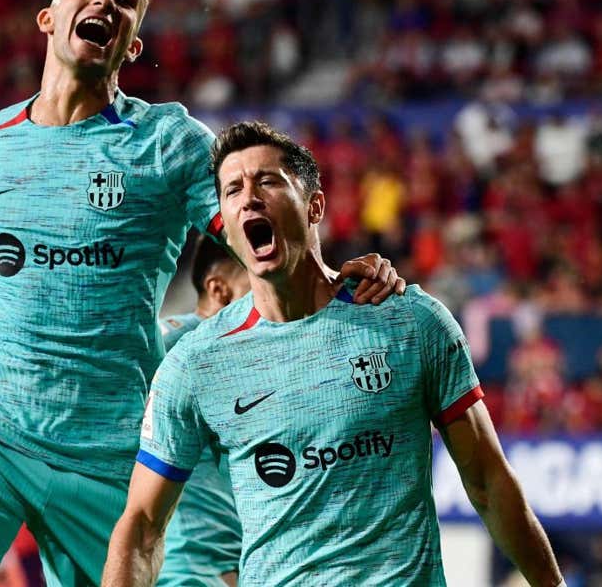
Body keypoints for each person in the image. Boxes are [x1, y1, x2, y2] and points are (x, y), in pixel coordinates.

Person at [0, 0, 403, 587]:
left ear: (132, 46)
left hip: (110, 444)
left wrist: (333, 277)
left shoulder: (169, 144)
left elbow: (259, 240)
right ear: (48, 18)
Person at [103, 122, 562, 586]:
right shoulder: (196, 361)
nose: (250, 198)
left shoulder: (410, 321)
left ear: (314, 206)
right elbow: (142, 527)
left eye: (268, 181)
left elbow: (486, 480)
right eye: (233, 189)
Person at [156, 236, 250, 586]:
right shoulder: (164, 350)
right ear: (219, 290)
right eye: (258, 285)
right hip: (185, 571)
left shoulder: (252, 359)